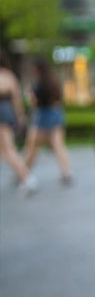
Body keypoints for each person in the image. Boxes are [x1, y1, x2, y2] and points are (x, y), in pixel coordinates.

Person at [24, 58, 72, 185]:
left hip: (42, 116)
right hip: (56, 113)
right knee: (58, 145)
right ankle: (66, 172)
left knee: (32, 146)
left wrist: (29, 95)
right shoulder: (53, 80)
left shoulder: (37, 83)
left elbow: (34, 102)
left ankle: (23, 172)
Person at [0, 51, 38, 195]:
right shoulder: (9, 76)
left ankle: (27, 178)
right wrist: (21, 116)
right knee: (5, 150)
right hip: (7, 113)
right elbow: (17, 99)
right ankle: (26, 177)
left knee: (8, 150)